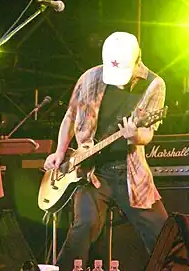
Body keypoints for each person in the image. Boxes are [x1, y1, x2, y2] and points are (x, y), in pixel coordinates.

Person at [44, 31, 168, 271]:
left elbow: (148, 133)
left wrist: (135, 135)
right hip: (90, 172)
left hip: (128, 173)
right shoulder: (90, 77)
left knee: (162, 232)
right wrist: (60, 152)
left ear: (137, 58)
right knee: (83, 227)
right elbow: (70, 116)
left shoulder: (154, 84)